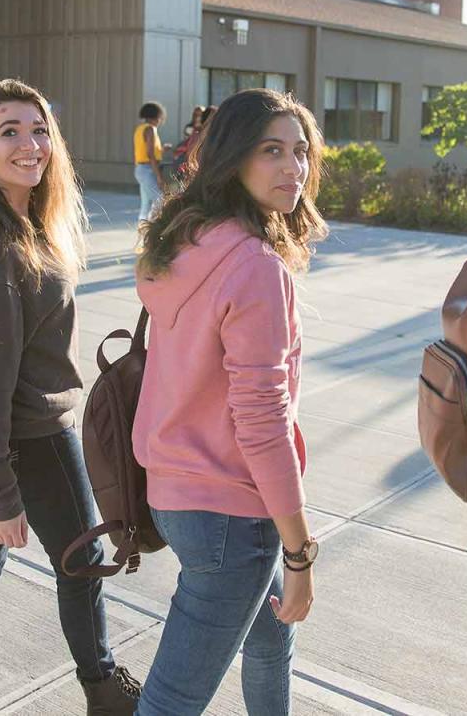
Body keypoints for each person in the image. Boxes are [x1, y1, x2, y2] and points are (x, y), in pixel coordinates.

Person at [0, 79, 141, 716]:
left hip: (4, 438)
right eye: (10, 132)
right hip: (29, 435)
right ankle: (103, 689)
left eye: (39, 129)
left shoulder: (11, 224)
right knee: (83, 561)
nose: (31, 144)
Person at [132, 88, 328, 715]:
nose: (292, 168)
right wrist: (299, 550)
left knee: (270, 637)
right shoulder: (253, 265)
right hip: (228, 513)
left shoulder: (186, 240)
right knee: (172, 702)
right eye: (271, 151)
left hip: (173, 493)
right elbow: (263, 419)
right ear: (233, 157)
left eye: (300, 152)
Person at [134, 101, 168, 222]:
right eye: (160, 117)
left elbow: (146, 152)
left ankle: (143, 229)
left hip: (141, 168)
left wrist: (162, 150)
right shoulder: (150, 129)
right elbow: (150, 154)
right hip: (148, 169)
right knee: (160, 200)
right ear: (156, 116)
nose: (160, 120)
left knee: (146, 204)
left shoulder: (140, 129)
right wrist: (159, 177)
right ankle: (154, 227)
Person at [171, 105, 213, 178]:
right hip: (186, 158)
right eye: (196, 114)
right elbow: (189, 143)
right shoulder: (193, 130)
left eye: (200, 114)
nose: (198, 117)